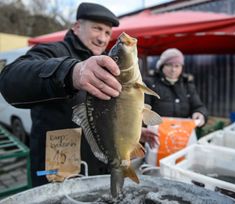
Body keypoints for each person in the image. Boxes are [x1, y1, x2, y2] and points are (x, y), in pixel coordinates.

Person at [0, 2, 155, 187]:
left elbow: (113, 111)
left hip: (100, 171)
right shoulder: (52, 51)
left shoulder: (111, 62)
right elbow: (10, 79)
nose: (102, 38)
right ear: (76, 27)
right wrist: (72, 72)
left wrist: (129, 130)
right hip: (54, 172)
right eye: (97, 28)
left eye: (107, 33)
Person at [144, 48, 208, 127]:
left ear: (182, 67)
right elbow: (143, 108)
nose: (173, 69)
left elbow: (198, 106)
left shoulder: (187, 85)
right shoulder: (150, 84)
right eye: (169, 65)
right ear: (162, 66)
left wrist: (200, 113)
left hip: (182, 133)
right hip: (156, 132)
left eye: (177, 66)